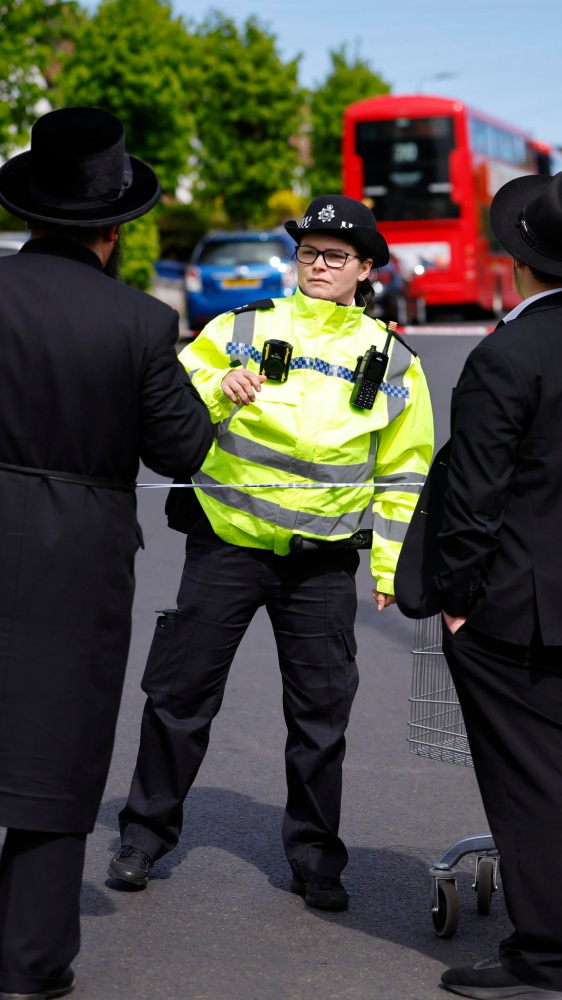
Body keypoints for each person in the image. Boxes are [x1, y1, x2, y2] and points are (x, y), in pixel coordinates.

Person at [107, 194, 434, 912]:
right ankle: (142, 837)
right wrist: (217, 389)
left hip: (320, 563)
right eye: (308, 252)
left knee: (321, 717)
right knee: (178, 698)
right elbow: (168, 404)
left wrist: (389, 567)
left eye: (335, 256)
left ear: (366, 268)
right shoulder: (242, 326)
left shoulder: (392, 359)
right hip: (226, 541)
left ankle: (317, 858)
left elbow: (406, 471)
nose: (317, 266)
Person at [0, 107, 213, 1000]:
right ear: (115, 230)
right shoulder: (136, 325)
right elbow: (185, 450)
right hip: (75, 554)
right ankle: (28, 967)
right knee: (53, 758)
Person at [428, 172, 562, 999]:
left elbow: (474, 499)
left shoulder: (505, 355)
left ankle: (545, 956)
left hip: (520, 609)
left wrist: (455, 596)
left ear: (515, 260)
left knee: (530, 778)